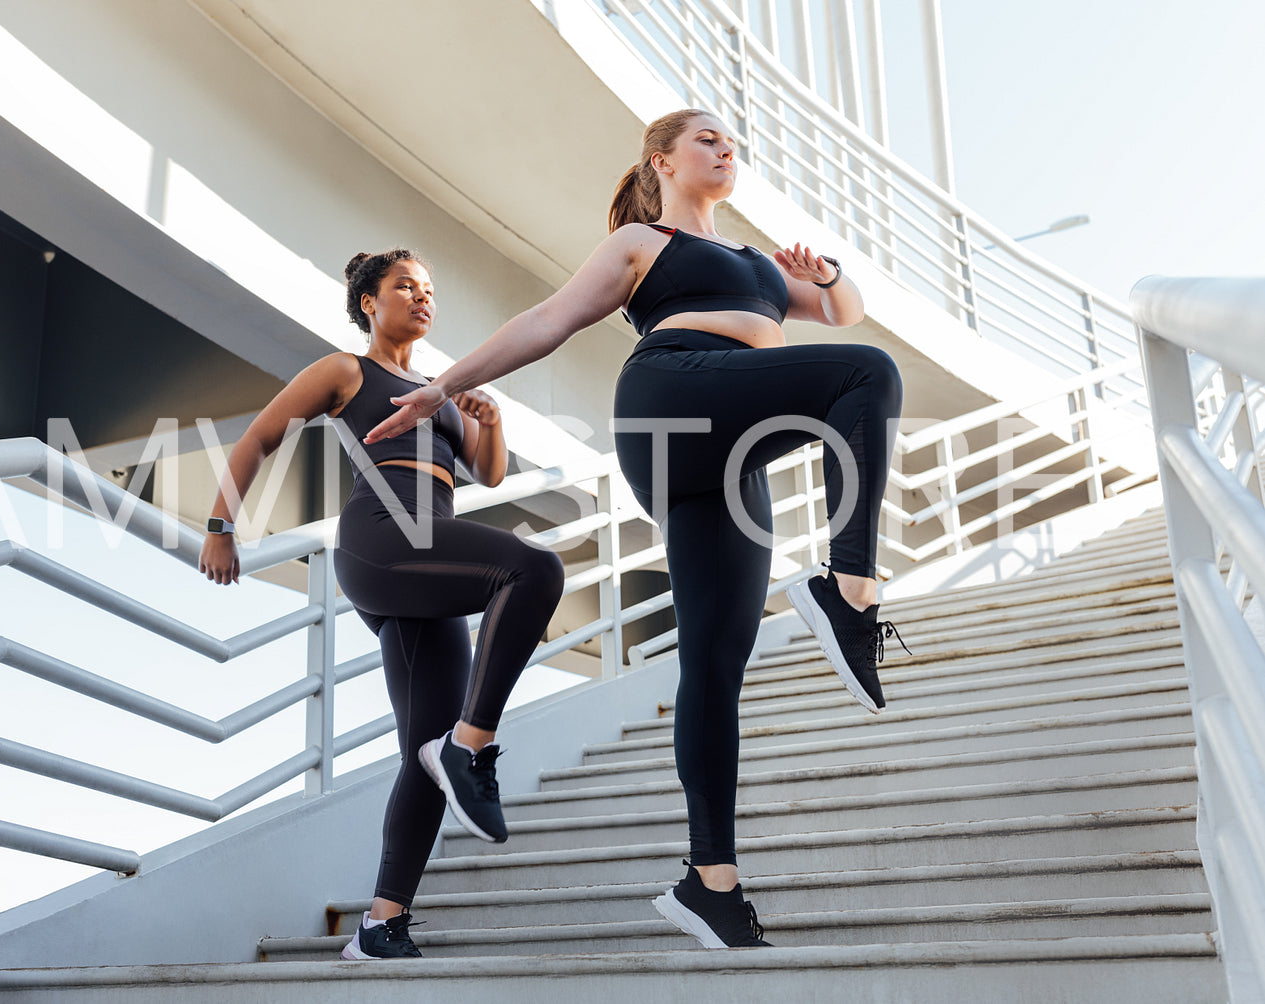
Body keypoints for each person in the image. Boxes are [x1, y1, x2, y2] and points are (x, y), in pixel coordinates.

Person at [365, 109, 907, 949]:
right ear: (661, 160)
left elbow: (843, 312)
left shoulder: (759, 265)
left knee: (717, 662)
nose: (727, 151)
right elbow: (546, 321)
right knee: (866, 379)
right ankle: (848, 589)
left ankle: (711, 885)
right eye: (708, 141)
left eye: (734, 145)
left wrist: (826, 270)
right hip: (675, 397)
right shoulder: (644, 245)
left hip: (736, 454)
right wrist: (444, 387)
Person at [198, 249, 566, 960]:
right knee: (533, 569)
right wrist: (220, 527)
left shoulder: (441, 391)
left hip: (428, 551)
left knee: (420, 753)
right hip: (381, 541)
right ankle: (472, 745)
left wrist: (488, 423)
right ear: (370, 301)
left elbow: (485, 474)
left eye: (430, 289)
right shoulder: (346, 371)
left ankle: (380, 924)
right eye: (406, 286)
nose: (422, 298)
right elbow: (261, 434)